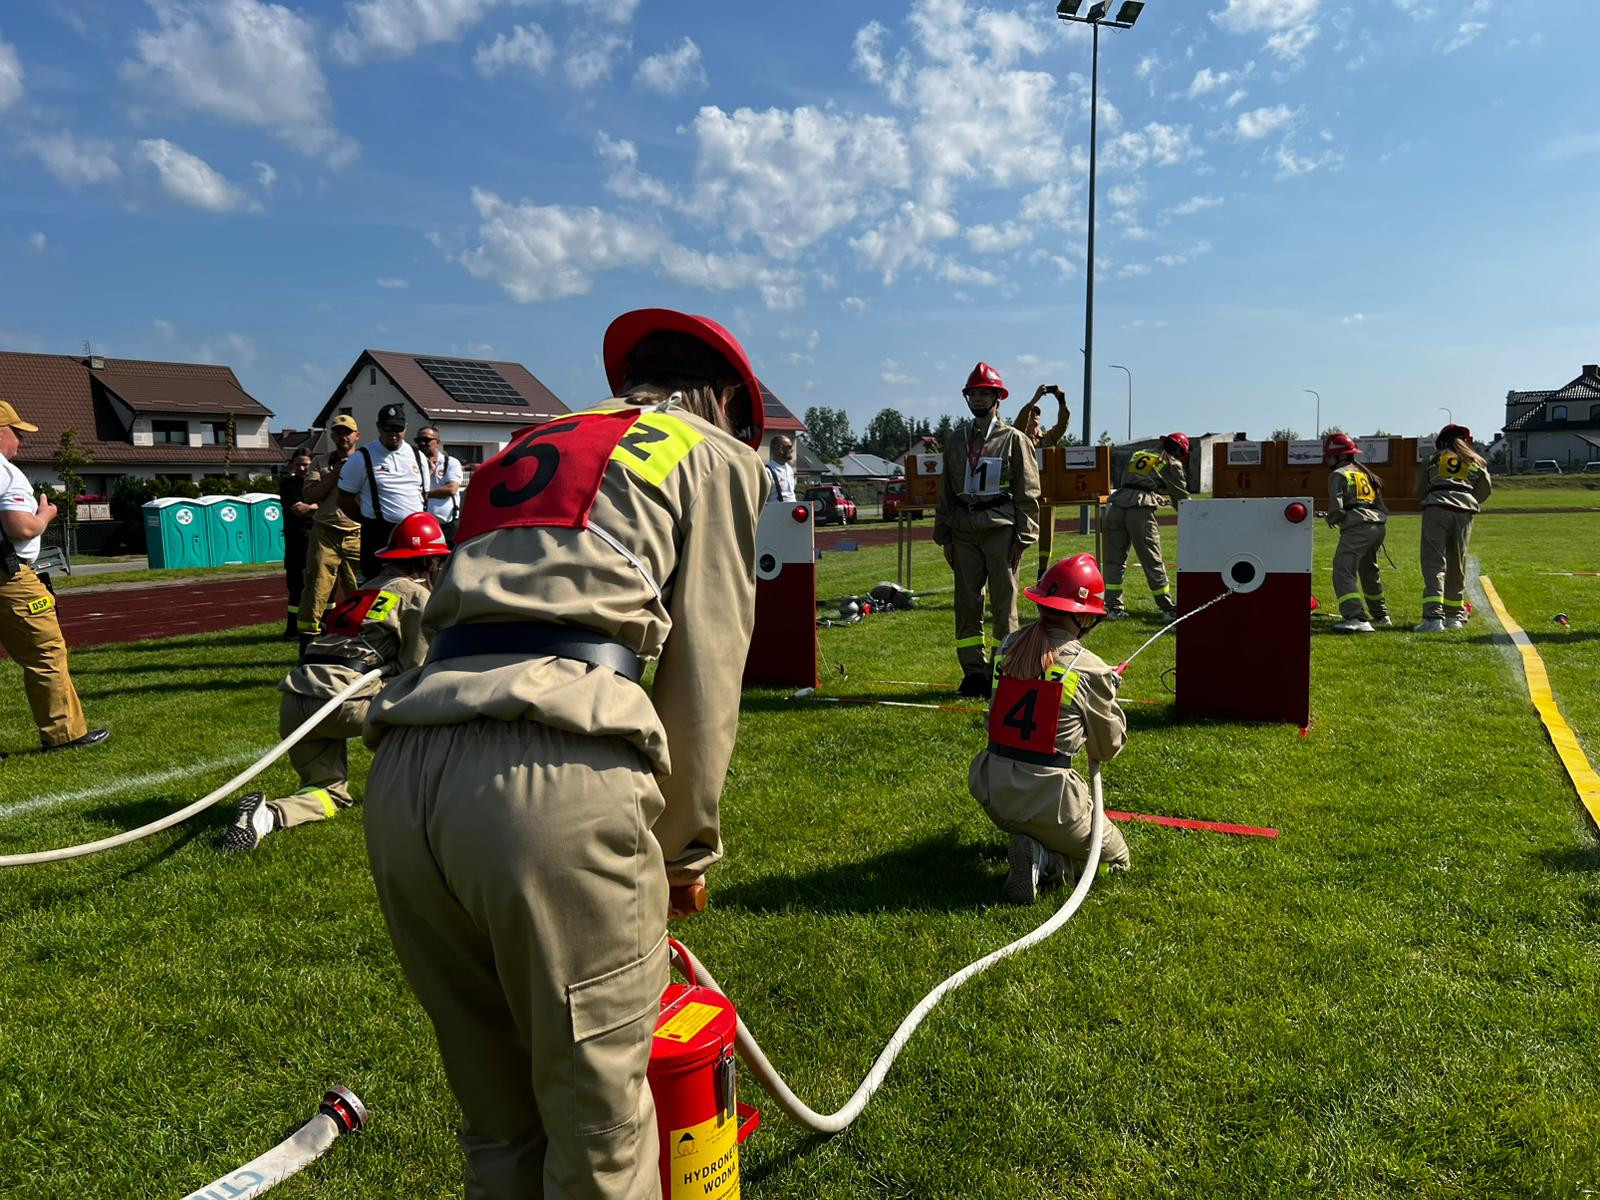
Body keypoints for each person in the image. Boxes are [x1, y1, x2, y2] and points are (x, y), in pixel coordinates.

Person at [362, 307, 767, 1199]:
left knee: (499, 1129)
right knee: (600, 1147)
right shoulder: (711, 451)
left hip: (407, 771)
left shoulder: (526, 442)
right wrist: (684, 851)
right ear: (729, 399)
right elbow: (708, 662)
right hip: (551, 784)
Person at [219, 512, 449, 852]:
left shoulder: (361, 592)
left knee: (329, 793)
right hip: (344, 701)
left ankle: (265, 816)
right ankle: (423, 801)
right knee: (422, 713)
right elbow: (415, 669)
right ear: (430, 561)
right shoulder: (414, 595)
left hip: (297, 699)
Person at [968, 553, 1129, 905]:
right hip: (1052, 803)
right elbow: (1107, 748)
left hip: (994, 791)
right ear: (1083, 615)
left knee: (1046, 826)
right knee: (1117, 861)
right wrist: (1107, 695)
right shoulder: (1088, 668)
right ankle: (1047, 860)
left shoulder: (1009, 647)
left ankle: (1033, 843)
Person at [0, 399, 109, 754]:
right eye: (17, 432)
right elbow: (20, 527)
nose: (20, 440)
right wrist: (45, 514)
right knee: (45, 651)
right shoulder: (6, 472)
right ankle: (64, 734)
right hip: (9, 577)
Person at [933, 362, 1042, 698]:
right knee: (966, 602)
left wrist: (1023, 537)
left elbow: (1028, 492)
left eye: (985, 393)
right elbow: (946, 492)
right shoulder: (955, 441)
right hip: (963, 529)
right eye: (974, 393)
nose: (978, 399)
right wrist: (945, 535)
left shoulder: (1015, 440)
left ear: (998, 398)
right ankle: (974, 673)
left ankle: (1004, 670)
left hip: (1000, 529)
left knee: (1003, 602)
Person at [1102, 433, 1190, 621]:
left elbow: (1137, 481)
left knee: (1114, 561)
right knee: (1152, 559)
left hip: (1116, 506)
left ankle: (1113, 607)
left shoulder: (1140, 453)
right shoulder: (1171, 462)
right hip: (1139, 510)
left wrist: (1154, 493)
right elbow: (1180, 496)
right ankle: (1167, 609)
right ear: (1178, 451)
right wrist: (1193, 515)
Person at [339, 402, 430, 581]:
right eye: (388, 429)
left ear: (406, 427)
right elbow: (343, 499)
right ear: (379, 427)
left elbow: (424, 495)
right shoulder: (362, 458)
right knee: (378, 589)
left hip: (414, 536)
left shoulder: (418, 456)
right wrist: (367, 519)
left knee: (418, 588)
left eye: (398, 428)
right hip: (378, 535)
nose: (393, 434)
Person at [1415, 423, 1492, 633]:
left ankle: (1433, 618)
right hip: (1464, 512)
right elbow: (1485, 489)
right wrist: (1466, 500)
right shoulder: (1474, 460)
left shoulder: (1433, 458)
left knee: (1434, 563)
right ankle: (1454, 617)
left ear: (1441, 440)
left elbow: (1418, 489)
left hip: (1437, 507)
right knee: (1458, 563)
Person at [298, 415, 363, 643]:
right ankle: (308, 639)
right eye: (338, 432)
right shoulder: (320, 462)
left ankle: (363, 634)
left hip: (357, 532)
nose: (342, 436)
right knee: (317, 586)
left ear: (357, 436)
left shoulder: (365, 461)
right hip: (325, 532)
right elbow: (310, 494)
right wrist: (336, 473)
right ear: (332, 436)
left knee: (361, 588)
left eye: (347, 432)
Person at [1322, 433, 1389, 634]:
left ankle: (1356, 617)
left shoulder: (1338, 475)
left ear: (1340, 456)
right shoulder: (1366, 473)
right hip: (1377, 525)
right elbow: (1381, 505)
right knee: (1369, 570)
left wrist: (1330, 519)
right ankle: (1381, 615)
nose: (1327, 460)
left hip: (1358, 526)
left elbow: (1337, 508)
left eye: (1329, 456)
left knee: (1343, 569)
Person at [279, 446, 316, 640]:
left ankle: (322, 626)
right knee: (296, 587)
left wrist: (310, 508)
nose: (303, 469)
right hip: (296, 543)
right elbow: (298, 510)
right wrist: (317, 507)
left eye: (306, 465)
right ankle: (292, 630)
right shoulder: (288, 485)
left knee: (321, 585)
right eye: (299, 465)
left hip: (315, 539)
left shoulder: (318, 483)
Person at [419, 425, 464, 546]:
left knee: (448, 561)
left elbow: (451, 489)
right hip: (423, 526)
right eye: (419, 440)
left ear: (437, 442)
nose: (422, 443)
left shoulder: (450, 462)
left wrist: (424, 495)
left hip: (447, 526)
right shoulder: (415, 464)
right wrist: (428, 472)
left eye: (427, 440)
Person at [765, 433, 797, 502]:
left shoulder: (790, 469)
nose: (792, 450)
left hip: (792, 511)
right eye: (789, 447)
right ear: (780, 449)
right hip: (776, 511)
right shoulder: (767, 471)